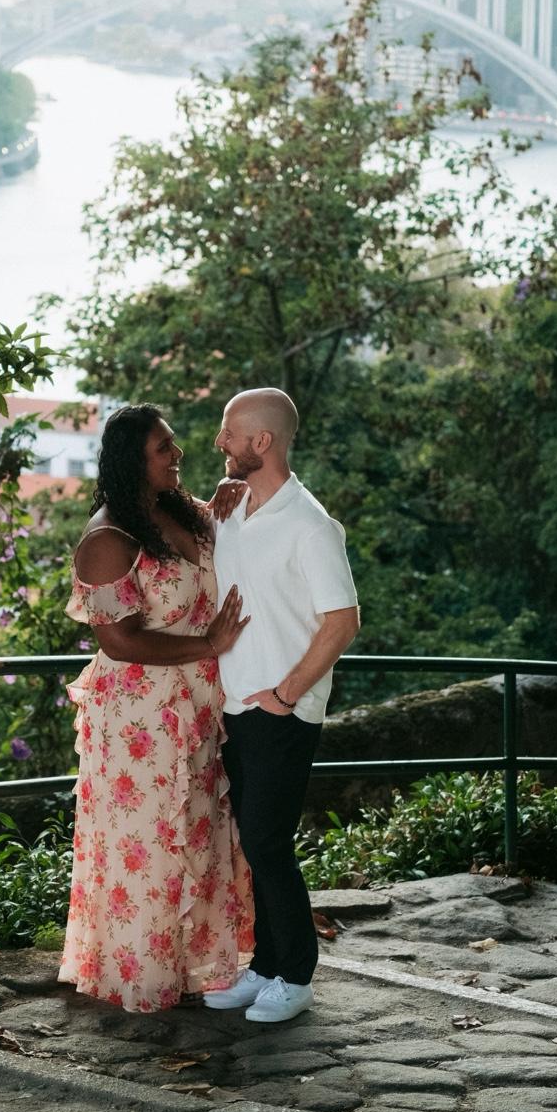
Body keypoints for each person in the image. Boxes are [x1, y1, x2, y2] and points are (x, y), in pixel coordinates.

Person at [59, 403, 255, 1012]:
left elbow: (229, 532)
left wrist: (230, 493)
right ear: (132, 462)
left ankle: (197, 966)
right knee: (148, 842)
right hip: (138, 720)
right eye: (163, 448)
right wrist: (209, 645)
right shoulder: (107, 539)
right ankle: (144, 973)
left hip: (198, 705)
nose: (178, 453)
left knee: (198, 830)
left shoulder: (176, 509)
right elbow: (118, 641)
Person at [203, 387, 360, 1023]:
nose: (220, 441)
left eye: (229, 432)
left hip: (282, 711)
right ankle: (266, 965)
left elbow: (343, 621)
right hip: (232, 705)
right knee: (252, 841)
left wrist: (287, 694)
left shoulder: (311, 525)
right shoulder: (231, 508)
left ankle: (295, 976)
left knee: (268, 842)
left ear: (262, 441)